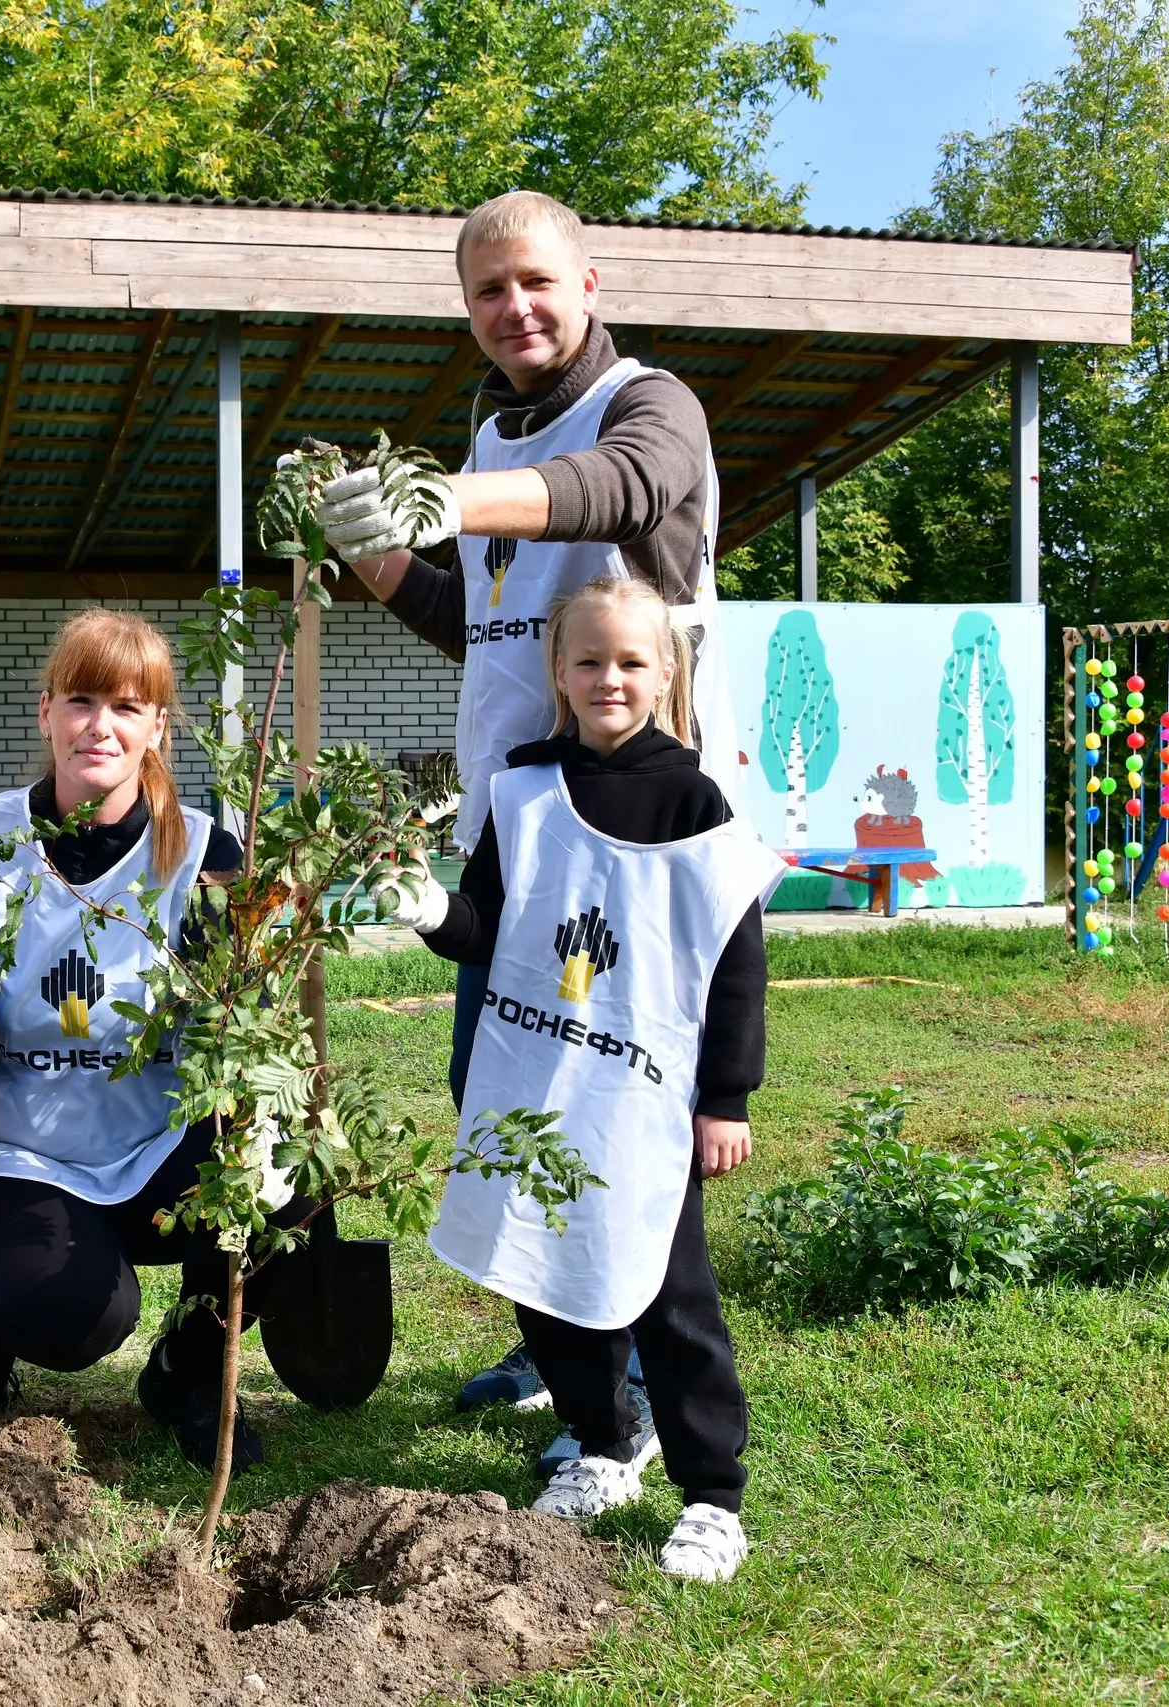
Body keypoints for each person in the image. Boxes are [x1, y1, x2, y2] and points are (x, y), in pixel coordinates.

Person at [319, 185, 769, 1418]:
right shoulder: (487, 442)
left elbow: (619, 491)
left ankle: (628, 1364)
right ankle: (561, 1348)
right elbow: (488, 628)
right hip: (518, 834)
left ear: (588, 286)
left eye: (535, 281)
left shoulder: (650, 405)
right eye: (486, 290)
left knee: (612, 1108)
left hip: (637, 837)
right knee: (505, 1098)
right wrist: (375, 551)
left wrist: (446, 503)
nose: (513, 306)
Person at [379, 574, 768, 1583]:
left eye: (631, 662)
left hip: (643, 1097)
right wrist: (427, 909)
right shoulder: (523, 786)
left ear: (665, 673)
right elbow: (487, 929)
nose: (609, 678)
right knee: (543, 1275)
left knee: (668, 1295)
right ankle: (602, 1447)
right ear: (557, 671)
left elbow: (731, 959)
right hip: (535, 1089)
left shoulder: (692, 798)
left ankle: (712, 1497)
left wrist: (723, 1098)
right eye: (588, 660)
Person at [0, 608, 300, 1472]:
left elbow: (241, 1014)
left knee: (292, 1197)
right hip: (22, 1147)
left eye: (129, 707)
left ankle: (193, 1369)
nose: (102, 725)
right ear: (47, 711)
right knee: (80, 1319)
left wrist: (262, 1117)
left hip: (156, 1140)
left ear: (158, 726)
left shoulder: (207, 853)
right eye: (83, 700)